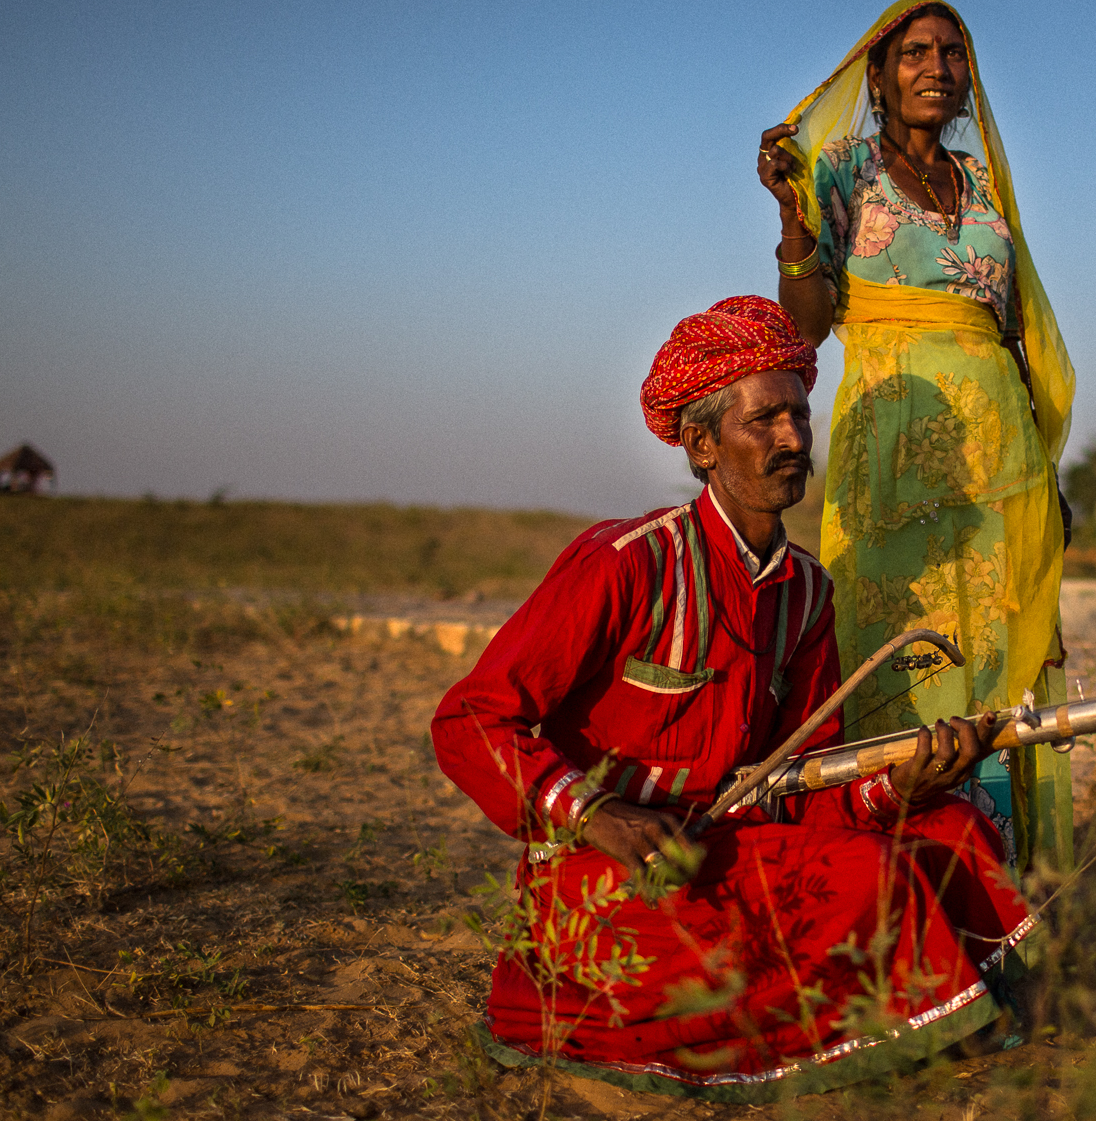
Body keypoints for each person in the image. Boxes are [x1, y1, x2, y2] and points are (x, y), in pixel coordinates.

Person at [432, 295, 1035, 1102]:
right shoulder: (624, 563)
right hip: (614, 872)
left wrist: (900, 785)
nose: (792, 439)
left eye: (799, 416)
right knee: (867, 877)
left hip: (738, 850)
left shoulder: (806, 595)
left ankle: (939, 1012)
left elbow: (800, 785)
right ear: (701, 443)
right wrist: (594, 814)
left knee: (951, 827)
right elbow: (471, 720)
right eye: (765, 421)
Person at [756, 0, 1077, 873]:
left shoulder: (984, 182)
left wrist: (1045, 475)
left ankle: (1003, 897)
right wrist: (793, 225)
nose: (936, 67)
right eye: (915, 54)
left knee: (999, 660)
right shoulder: (843, 170)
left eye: (952, 53)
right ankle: (907, 890)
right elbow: (811, 322)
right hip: (892, 454)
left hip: (1001, 457)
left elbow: (1010, 328)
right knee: (897, 655)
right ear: (879, 75)